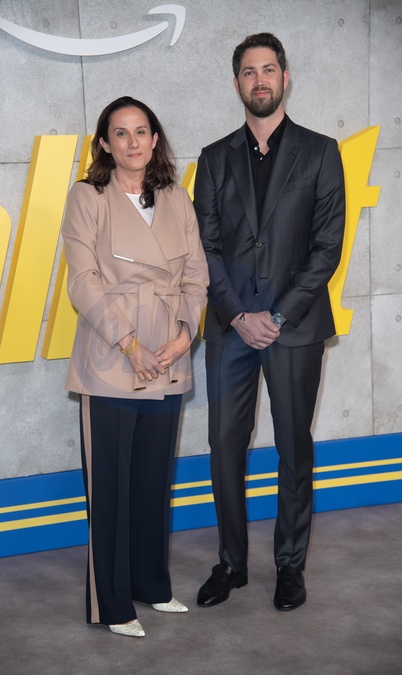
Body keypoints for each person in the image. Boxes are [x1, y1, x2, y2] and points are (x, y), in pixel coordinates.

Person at [193, 33, 345, 611]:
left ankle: (290, 566)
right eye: (249, 71)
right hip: (230, 328)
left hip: (294, 328)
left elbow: (326, 249)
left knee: (292, 448)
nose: (259, 80)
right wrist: (237, 314)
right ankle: (231, 564)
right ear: (236, 83)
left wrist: (276, 315)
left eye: (269, 69)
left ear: (285, 77)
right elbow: (204, 247)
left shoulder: (321, 152)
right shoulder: (214, 158)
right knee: (224, 447)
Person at [62, 96, 208, 637]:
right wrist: (128, 343)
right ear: (104, 143)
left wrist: (185, 334)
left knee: (152, 480)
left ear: (154, 139)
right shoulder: (88, 196)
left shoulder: (175, 196)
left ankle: (152, 584)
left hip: (167, 353)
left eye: (141, 131)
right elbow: (83, 280)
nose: (132, 142)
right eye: (120, 133)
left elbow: (196, 274)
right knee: (111, 488)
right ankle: (113, 603)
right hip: (112, 354)